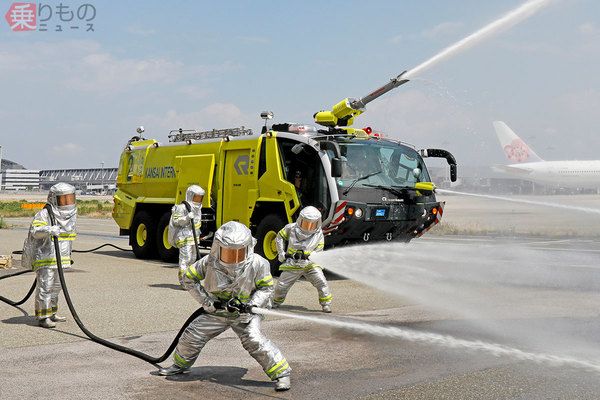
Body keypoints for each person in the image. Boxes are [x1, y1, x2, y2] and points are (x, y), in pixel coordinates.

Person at [158, 221, 291, 391]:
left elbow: (266, 289)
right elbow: (188, 278)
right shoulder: (209, 262)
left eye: (239, 253)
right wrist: (208, 303)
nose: (234, 258)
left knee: (254, 339)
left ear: (248, 248)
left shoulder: (259, 263)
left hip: (246, 313)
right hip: (217, 311)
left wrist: (252, 305)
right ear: (217, 248)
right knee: (192, 334)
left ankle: (282, 374)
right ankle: (179, 365)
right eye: (228, 253)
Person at [22, 183, 77, 328]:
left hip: (61, 258)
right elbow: (35, 231)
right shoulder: (45, 213)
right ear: (54, 199)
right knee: (45, 287)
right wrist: (48, 229)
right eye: (63, 200)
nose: (67, 203)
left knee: (57, 287)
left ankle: (52, 312)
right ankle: (43, 316)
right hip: (46, 258)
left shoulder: (70, 214)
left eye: (70, 199)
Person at [273, 206, 332, 313]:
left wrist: (314, 254)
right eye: (306, 223)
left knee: (322, 282)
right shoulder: (290, 229)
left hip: (310, 264)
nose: (308, 227)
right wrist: (281, 253)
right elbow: (279, 237)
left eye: (312, 224)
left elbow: (320, 248)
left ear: (318, 223)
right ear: (300, 220)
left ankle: (326, 304)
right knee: (281, 286)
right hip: (292, 263)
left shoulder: (318, 235)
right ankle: (274, 302)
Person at [168, 185, 204, 276]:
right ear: (190, 195)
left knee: (193, 258)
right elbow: (176, 221)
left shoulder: (198, 209)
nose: (198, 200)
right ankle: (183, 280)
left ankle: (189, 278)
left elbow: (197, 224)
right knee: (185, 259)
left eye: (200, 197)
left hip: (193, 237)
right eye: (197, 197)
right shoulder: (182, 207)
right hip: (184, 237)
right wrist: (187, 218)